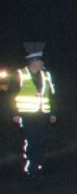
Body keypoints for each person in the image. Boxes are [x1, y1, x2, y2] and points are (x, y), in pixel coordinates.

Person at [10, 41, 57, 177]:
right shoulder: (20, 75)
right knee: (31, 140)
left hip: (42, 114)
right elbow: (10, 96)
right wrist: (14, 114)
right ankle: (31, 167)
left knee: (41, 140)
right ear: (33, 62)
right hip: (26, 114)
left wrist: (53, 113)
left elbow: (52, 95)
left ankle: (38, 165)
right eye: (40, 60)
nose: (42, 63)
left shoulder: (46, 75)